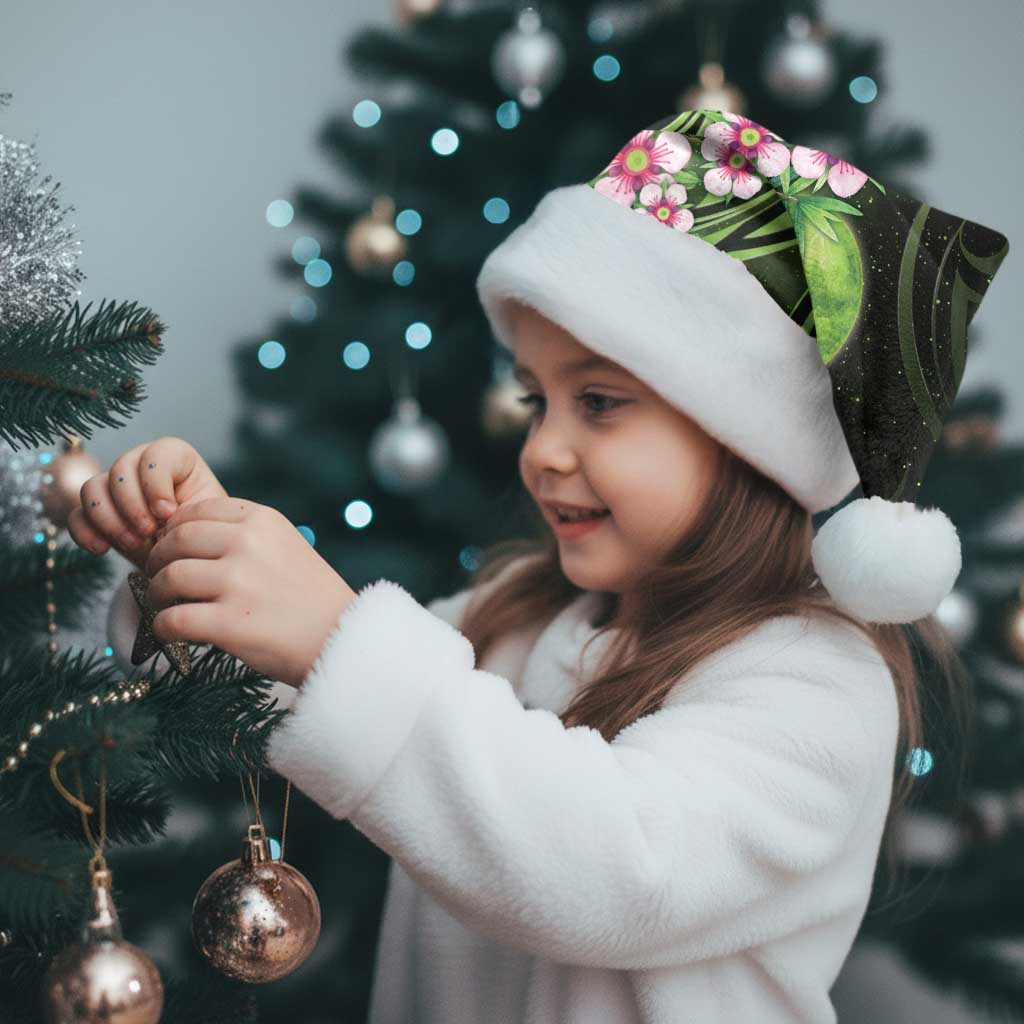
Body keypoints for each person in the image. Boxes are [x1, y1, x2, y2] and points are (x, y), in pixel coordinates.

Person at [73, 108, 1010, 1023]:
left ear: (747, 440)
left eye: (598, 402)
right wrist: (192, 563)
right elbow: (306, 690)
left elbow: (616, 871)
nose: (542, 451)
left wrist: (333, 637)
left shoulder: (818, 682)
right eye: (536, 402)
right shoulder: (516, 615)